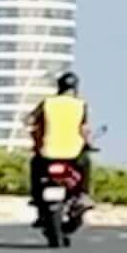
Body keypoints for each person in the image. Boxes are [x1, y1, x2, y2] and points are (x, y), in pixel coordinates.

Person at [25, 67, 92, 213]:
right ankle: (83, 194)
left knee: (35, 165)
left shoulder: (47, 103)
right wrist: (88, 143)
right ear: (75, 88)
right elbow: (84, 129)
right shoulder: (80, 105)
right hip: (73, 154)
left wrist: (34, 135)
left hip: (47, 153)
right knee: (86, 162)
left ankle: (35, 195)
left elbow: (30, 120)